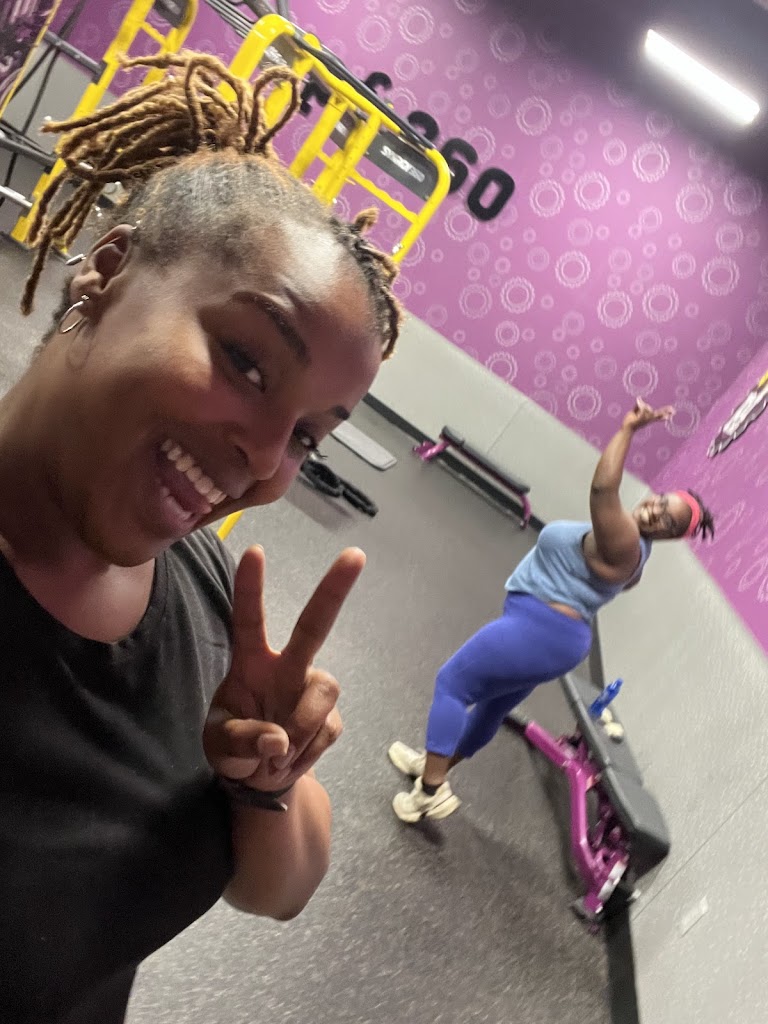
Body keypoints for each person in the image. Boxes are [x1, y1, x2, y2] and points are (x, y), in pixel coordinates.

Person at [0, 52, 401, 1024]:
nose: (265, 458)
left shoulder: (205, 592)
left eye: (306, 437)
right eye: (248, 363)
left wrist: (263, 783)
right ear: (106, 272)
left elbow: (282, 889)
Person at [389, 398, 715, 823]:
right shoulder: (634, 551)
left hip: (539, 630)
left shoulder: (626, 542)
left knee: (453, 684)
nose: (654, 511)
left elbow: (602, 490)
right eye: (660, 502)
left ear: (670, 536)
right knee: (491, 709)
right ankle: (432, 766)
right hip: (556, 639)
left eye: (667, 521)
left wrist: (629, 429)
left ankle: (431, 791)